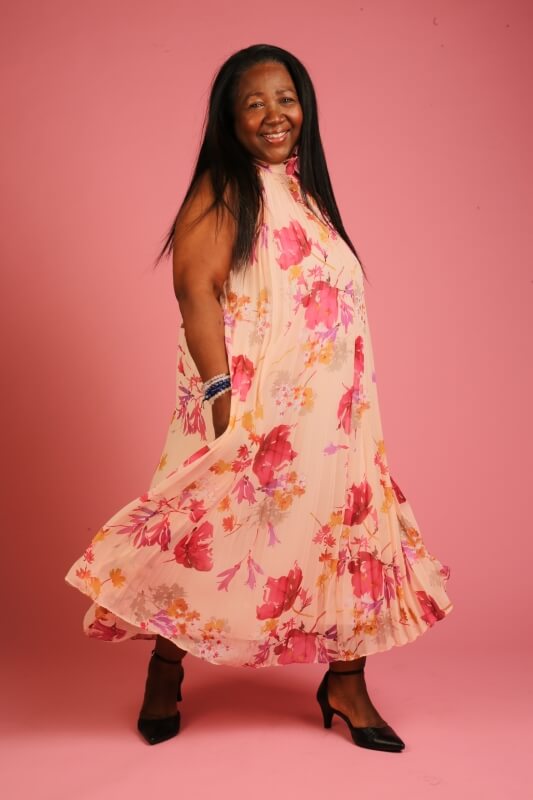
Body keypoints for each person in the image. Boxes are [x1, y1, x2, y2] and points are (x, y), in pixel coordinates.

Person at [64, 43, 453, 752]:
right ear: (229, 118)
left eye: (286, 98)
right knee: (208, 533)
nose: (275, 115)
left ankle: (346, 682)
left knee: (346, 536)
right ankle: (164, 668)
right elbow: (196, 294)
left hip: (335, 418)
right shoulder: (223, 189)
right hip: (254, 409)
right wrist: (222, 401)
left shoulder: (305, 192)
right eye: (254, 103)